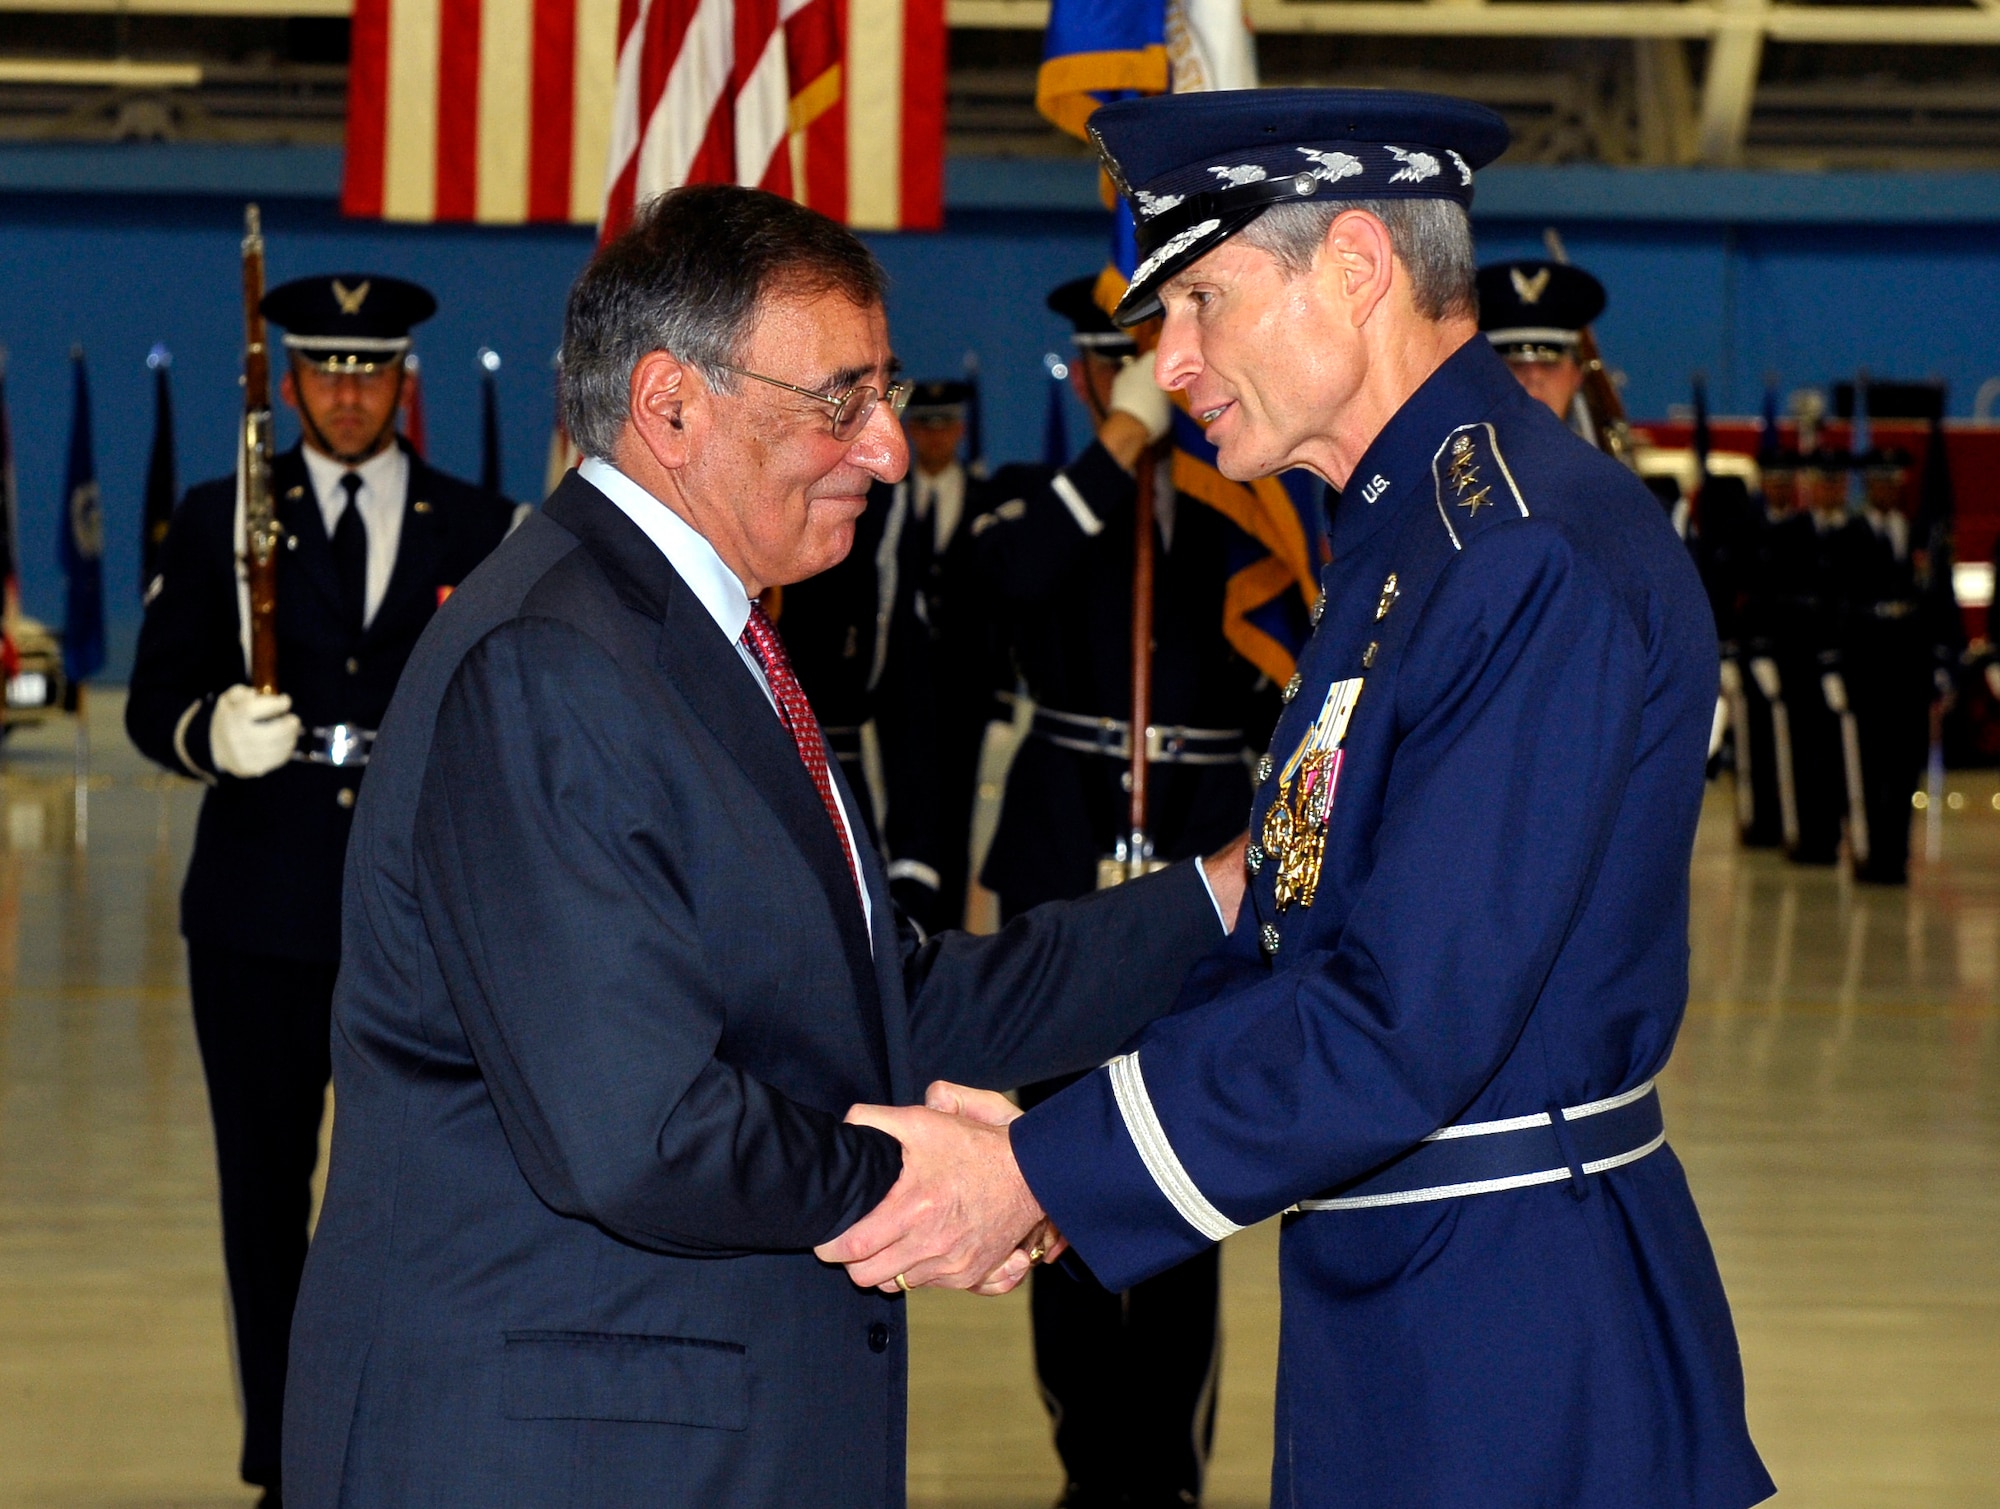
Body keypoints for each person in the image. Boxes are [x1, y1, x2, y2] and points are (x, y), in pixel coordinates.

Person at [820, 88, 1775, 1509]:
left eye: (1203, 297)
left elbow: (1402, 1017)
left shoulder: (1517, 555)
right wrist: (1049, 1150)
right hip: (1414, 1292)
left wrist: (1040, 1172)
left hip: (1516, 1337)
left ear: (1356, 266)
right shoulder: (1406, 532)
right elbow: (1293, 923)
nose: (1172, 360)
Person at [280, 185, 1247, 1509]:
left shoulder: (695, 639)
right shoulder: (551, 664)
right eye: (837, 401)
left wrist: (1223, 896)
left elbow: (874, 1002)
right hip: (568, 1452)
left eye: (886, 395)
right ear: (672, 405)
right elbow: (639, 1129)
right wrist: (950, 1182)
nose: (891, 449)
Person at [124, 273, 516, 1507]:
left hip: (419, 911)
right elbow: (150, 703)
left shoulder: (485, 525)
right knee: (264, 1195)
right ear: (288, 381)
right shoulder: (217, 519)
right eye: (327, 371)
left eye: (372, 370)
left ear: (406, 380)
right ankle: (287, 1465)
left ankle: (412, 1441)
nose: (349, 395)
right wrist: (209, 731)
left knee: (424, 1199)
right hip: (260, 909)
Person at [970, 277, 1275, 1509]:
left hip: (1203, 863)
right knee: (1057, 1194)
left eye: (1149, 365)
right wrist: (1115, 453)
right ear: (1090, 377)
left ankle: (1168, 1475)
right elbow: (989, 595)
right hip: (1065, 875)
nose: (1136, 386)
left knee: (1186, 1190)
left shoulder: (1241, 503)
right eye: (1114, 368)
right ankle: (1087, 1465)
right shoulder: (1038, 502)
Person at [1829, 447, 1959, 883]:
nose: (1888, 488)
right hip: (1869, 665)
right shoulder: (1850, 534)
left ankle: (1897, 854)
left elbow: (1939, 603)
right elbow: (1839, 605)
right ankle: (1869, 853)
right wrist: (1836, 664)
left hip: (1909, 668)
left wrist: (1942, 662)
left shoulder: (1921, 533)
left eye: (1895, 481)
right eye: (1881, 480)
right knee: (1870, 765)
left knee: (1905, 767)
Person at [1474, 257, 1606, 434]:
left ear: (1576, 375)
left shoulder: (1601, 462)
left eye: (1549, 364)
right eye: (1515, 365)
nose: (1534, 376)